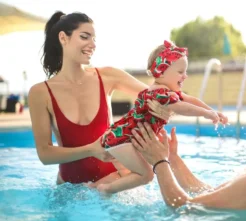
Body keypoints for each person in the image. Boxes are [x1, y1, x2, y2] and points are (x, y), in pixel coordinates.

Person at [28, 11, 171, 186]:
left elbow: (159, 96)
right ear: (63, 38)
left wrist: (162, 106)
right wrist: (91, 150)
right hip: (69, 191)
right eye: (85, 37)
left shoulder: (108, 76)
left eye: (94, 39)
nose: (92, 45)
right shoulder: (40, 93)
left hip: (115, 183)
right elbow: (44, 155)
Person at [93, 40, 228, 193]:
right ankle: (106, 190)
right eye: (180, 72)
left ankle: (94, 187)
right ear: (161, 72)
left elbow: (191, 100)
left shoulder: (166, 92)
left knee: (131, 174)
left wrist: (213, 112)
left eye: (185, 71)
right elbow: (182, 107)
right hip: (122, 140)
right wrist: (206, 114)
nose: (185, 76)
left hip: (123, 139)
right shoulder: (158, 94)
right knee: (146, 175)